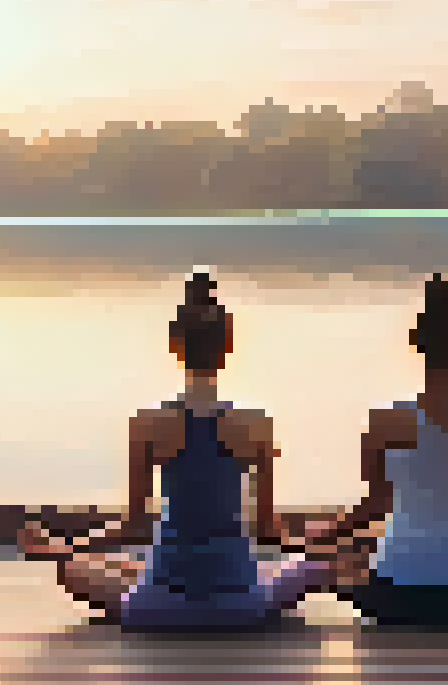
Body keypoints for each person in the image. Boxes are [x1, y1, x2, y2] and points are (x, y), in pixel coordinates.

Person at [17, 269, 329, 630]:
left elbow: (133, 525)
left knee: (77, 571)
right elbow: (266, 530)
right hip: (242, 605)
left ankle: (60, 550)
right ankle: (131, 565)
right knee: (309, 567)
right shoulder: (256, 423)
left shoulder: (148, 423)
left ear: (175, 346)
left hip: (158, 606)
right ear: (228, 346)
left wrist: (77, 544)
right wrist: (310, 540)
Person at [298, 273, 448, 626]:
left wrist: (324, 535)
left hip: (394, 593)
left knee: (346, 557)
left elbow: (375, 506)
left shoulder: (385, 421)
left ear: (415, 343)